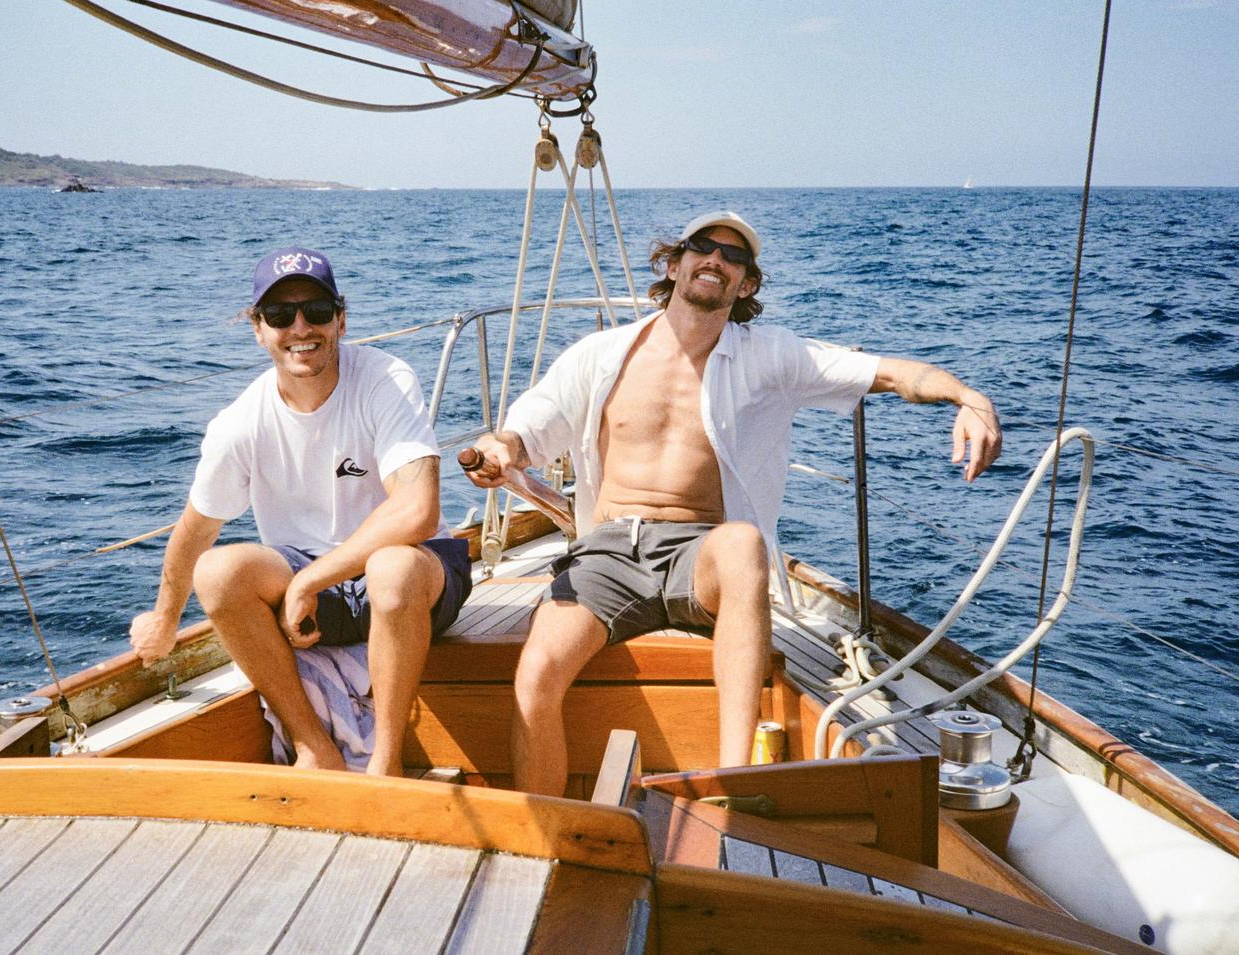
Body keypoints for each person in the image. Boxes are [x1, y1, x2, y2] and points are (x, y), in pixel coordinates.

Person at [465, 210, 1002, 795]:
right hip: (609, 554)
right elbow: (530, 428)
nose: (716, 259)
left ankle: (733, 781)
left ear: (745, 285)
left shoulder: (769, 356)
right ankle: (547, 822)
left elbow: (891, 374)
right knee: (537, 672)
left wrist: (968, 397)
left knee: (743, 543)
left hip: (701, 555)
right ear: (674, 265)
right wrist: (501, 447)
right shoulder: (600, 355)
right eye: (703, 246)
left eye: (735, 256)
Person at [130, 246, 471, 776]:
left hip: (413, 581)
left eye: (316, 311)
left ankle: (386, 763)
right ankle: (313, 745)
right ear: (258, 329)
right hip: (314, 592)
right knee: (217, 572)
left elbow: (418, 510)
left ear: (340, 320)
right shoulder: (240, 422)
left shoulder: (385, 378)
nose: (300, 328)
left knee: (391, 567)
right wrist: (164, 620)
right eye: (279, 314)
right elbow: (196, 529)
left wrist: (310, 580)